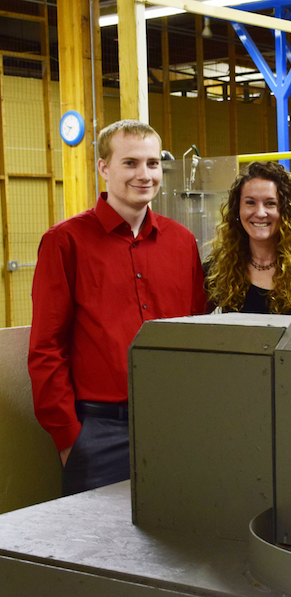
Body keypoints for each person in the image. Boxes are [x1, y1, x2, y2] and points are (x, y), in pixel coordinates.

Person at [28, 119, 206, 496]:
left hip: (175, 426)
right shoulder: (65, 242)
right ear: (104, 168)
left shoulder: (182, 242)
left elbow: (197, 335)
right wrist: (69, 437)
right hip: (98, 432)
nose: (145, 174)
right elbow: (46, 347)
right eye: (130, 163)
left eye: (153, 163)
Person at [205, 161, 291, 316]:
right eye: (250, 203)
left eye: (270, 203)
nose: (260, 213)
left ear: (286, 211)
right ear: (238, 210)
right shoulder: (218, 269)